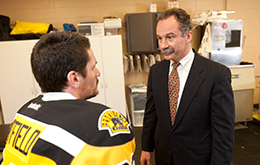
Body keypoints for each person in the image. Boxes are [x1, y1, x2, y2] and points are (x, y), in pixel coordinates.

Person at [2, 31, 135, 165]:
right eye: (93, 67)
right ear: (74, 78)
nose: (98, 73)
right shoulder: (102, 128)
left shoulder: (23, 114)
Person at [140, 8, 235, 165]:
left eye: (170, 37)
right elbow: (151, 114)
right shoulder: (156, 71)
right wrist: (146, 148)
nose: (163, 46)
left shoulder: (216, 75)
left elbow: (223, 133)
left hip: (197, 159)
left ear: (188, 36)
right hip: (163, 156)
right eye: (159, 38)